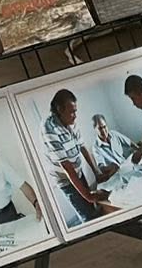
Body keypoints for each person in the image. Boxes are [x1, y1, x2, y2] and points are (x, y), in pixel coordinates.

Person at [40, 89, 108, 221]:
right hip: (65, 180)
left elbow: (82, 147)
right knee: (87, 216)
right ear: (60, 109)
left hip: (77, 173)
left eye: (75, 111)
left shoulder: (71, 122)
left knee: (94, 206)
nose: (75, 116)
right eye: (72, 112)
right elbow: (66, 166)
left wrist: (97, 172)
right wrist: (88, 196)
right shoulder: (48, 128)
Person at [83, 113, 139, 182]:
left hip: (126, 166)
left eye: (104, 127)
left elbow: (130, 143)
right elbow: (101, 167)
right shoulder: (95, 147)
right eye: (100, 128)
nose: (103, 131)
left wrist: (139, 150)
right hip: (115, 175)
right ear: (95, 129)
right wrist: (110, 167)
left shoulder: (114, 134)